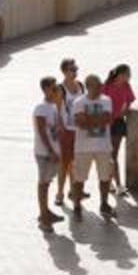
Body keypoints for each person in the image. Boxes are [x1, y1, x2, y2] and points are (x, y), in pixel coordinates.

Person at [71, 74, 115, 221]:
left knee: (105, 177)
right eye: (97, 86)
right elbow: (79, 123)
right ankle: (77, 206)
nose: (101, 88)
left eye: (101, 85)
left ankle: (104, 203)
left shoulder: (106, 100)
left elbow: (107, 119)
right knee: (79, 179)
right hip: (83, 148)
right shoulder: (78, 102)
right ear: (88, 86)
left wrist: (88, 120)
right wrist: (97, 120)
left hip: (103, 147)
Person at [34, 76, 64, 232]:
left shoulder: (53, 107)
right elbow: (41, 132)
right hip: (45, 153)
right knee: (43, 184)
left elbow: (59, 129)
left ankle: (46, 212)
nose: (56, 91)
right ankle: (44, 218)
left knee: (47, 182)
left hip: (53, 151)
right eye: (54, 88)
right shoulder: (41, 108)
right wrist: (51, 151)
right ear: (46, 89)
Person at [55, 58, 85, 207]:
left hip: (79, 131)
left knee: (76, 164)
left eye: (76, 69)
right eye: (72, 69)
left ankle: (74, 191)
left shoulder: (80, 85)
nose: (75, 72)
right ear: (65, 71)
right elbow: (56, 110)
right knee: (64, 163)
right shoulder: (60, 89)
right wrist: (60, 129)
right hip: (66, 131)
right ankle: (59, 192)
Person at [102, 64, 135, 196]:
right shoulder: (107, 86)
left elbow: (130, 101)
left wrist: (124, 111)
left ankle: (117, 184)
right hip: (106, 124)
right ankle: (111, 182)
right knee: (108, 154)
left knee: (113, 154)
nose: (129, 76)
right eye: (128, 73)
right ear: (120, 74)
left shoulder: (127, 86)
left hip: (118, 123)